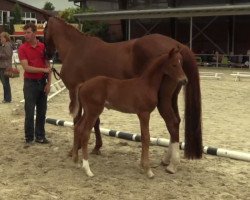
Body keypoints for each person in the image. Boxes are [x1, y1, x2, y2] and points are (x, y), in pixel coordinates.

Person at [18, 23, 52, 144]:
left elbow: (48, 65)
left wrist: (49, 84)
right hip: (30, 84)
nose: (25, 35)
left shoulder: (43, 47)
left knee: (42, 111)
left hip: (42, 83)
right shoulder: (22, 48)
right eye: (25, 33)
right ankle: (29, 137)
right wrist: (43, 70)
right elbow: (26, 68)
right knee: (30, 111)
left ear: (35, 33)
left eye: (28, 32)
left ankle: (40, 136)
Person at [0, 32, 13, 103]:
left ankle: (7, 98)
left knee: (5, 83)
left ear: (5, 38)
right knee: (5, 83)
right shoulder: (4, 45)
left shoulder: (7, 45)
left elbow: (8, 55)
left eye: (1, 37)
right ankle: (7, 98)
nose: (0, 38)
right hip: (3, 66)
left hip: (5, 66)